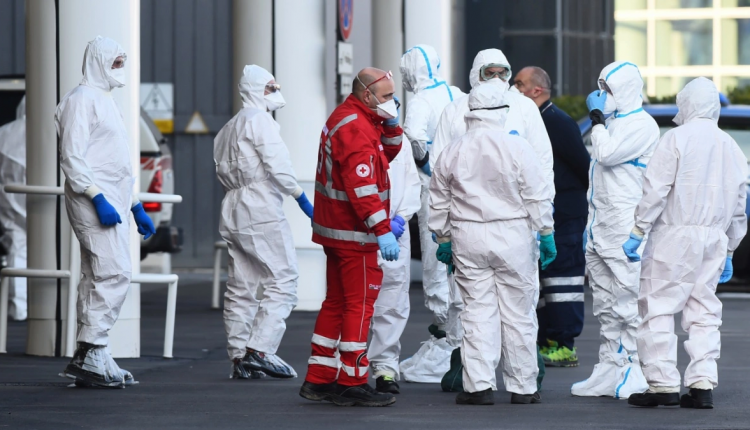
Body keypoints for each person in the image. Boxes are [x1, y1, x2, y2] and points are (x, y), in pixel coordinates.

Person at [431, 48, 554, 392]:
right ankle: (524, 387)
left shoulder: (455, 147)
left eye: (503, 72)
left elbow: (438, 193)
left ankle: (478, 386)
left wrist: (442, 237)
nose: (498, 79)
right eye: (491, 72)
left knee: (475, 313)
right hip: (515, 232)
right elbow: (538, 186)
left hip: (467, 234)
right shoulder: (517, 144)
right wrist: (545, 229)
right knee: (519, 314)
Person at [624, 77, 747, 409]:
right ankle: (702, 384)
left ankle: (662, 384)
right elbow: (740, 204)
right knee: (704, 311)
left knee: (658, 306)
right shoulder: (731, 146)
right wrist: (730, 248)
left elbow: (656, 189)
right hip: (714, 239)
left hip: (675, 236)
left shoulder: (675, 138)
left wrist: (638, 230)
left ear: (686, 103)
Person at [299, 68, 403, 407]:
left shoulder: (353, 117)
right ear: (367, 95)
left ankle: (319, 378)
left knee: (337, 302)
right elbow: (364, 189)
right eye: (387, 97)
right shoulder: (356, 128)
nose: (392, 102)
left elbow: (385, 157)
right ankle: (352, 380)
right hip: (354, 233)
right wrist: (382, 231)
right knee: (360, 305)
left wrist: (391, 123)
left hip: (336, 229)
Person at [56, 36, 155, 388]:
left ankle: (93, 352)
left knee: (96, 275)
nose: (119, 68)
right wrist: (97, 197)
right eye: (114, 62)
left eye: (121, 62)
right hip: (92, 198)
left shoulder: (105, 100)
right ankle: (92, 350)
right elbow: (72, 156)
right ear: (97, 61)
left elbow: (114, 162)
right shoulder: (80, 100)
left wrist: (134, 204)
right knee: (114, 272)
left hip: (112, 198)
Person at [214, 65, 311, 380]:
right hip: (259, 205)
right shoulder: (260, 122)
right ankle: (261, 349)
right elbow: (277, 165)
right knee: (283, 278)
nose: (276, 91)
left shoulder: (228, 128)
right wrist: (300, 196)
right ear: (255, 89)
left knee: (241, 285)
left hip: (232, 206)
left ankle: (239, 356)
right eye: (270, 87)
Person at [571, 61, 659, 399]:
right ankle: (610, 367)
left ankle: (636, 369)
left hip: (624, 229)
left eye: (607, 89)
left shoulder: (641, 125)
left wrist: (596, 120)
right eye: (600, 87)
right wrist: (590, 227)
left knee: (628, 302)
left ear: (624, 90)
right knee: (605, 305)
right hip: (600, 228)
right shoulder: (612, 124)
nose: (601, 95)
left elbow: (606, 155)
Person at [395, 44, 465, 383]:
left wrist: (426, 166)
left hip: (433, 191)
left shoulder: (420, 101)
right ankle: (454, 339)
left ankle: (446, 341)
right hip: (463, 188)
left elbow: (412, 136)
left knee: (437, 264)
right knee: (461, 264)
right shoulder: (456, 93)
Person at [514, 66, 590, 367]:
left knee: (563, 280)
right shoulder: (533, 121)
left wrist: (567, 200)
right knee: (545, 282)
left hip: (565, 215)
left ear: (536, 90)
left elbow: (583, 166)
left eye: (519, 84)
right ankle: (547, 339)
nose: (513, 89)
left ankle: (564, 344)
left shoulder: (557, 122)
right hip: (544, 214)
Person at [367, 134, 421, 394]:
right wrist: (376, 221)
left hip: (396, 230)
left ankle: (385, 369)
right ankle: (347, 366)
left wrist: (400, 218)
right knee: (354, 302)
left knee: (392, 300)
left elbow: (412, 183)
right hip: (361, 227)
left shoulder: (401, 141)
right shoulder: (354, 132)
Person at [0, 96, 27, 321]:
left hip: (10, 200)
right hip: (48, 200)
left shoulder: (5, 133)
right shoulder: (57, 130)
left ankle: (19, 309)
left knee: (17, 248)